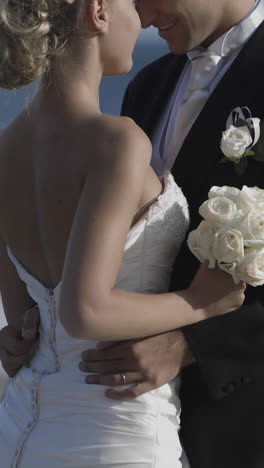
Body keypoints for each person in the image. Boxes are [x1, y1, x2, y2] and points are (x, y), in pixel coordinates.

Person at [0, 0, 245, 467]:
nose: (143, 19)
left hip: (22, 427)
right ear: (98, 12)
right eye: (131, 4)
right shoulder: (118, 141)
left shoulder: (5, 147)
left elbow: (24, 321)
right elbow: (84, 310)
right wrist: (203, 302)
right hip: (114, 429)